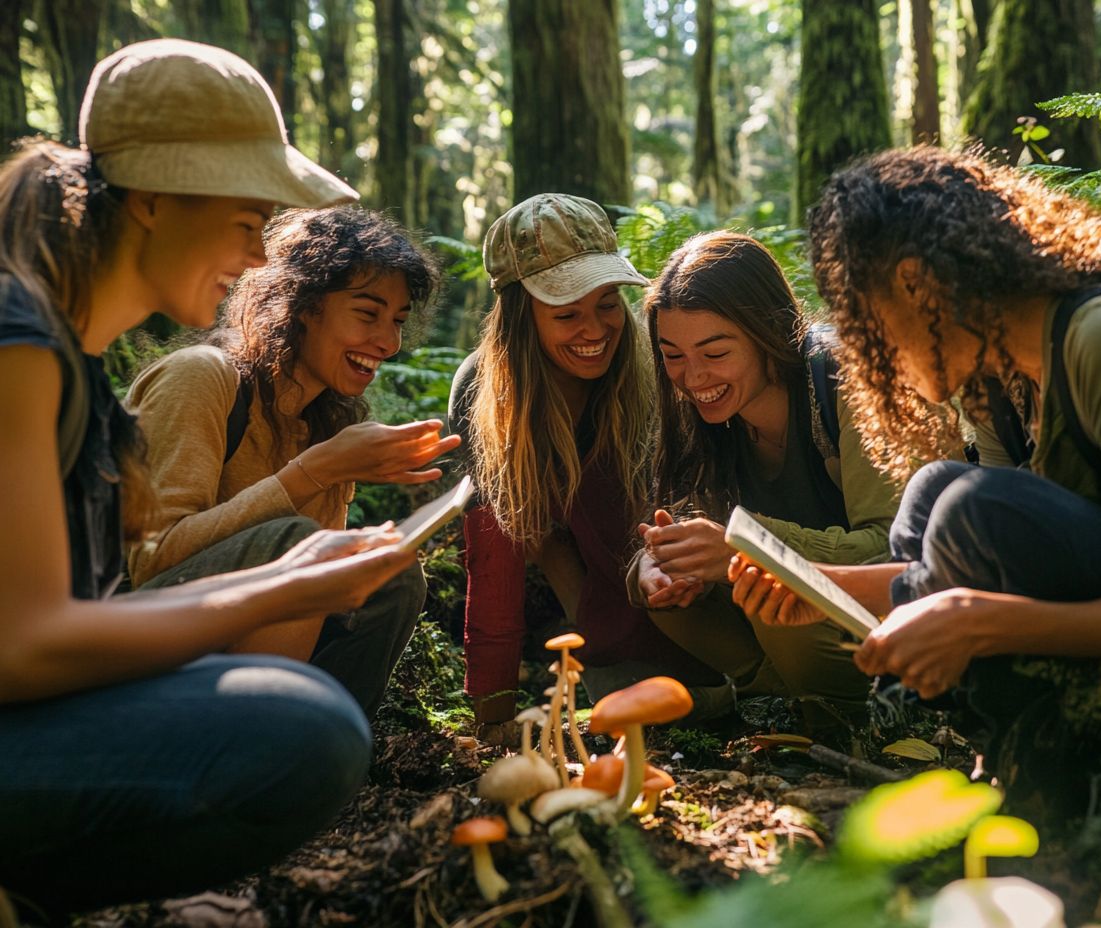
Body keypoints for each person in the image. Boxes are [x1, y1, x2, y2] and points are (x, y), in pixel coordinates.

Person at [0, 39, 425, 917]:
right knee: (301, 729)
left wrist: (293, 573)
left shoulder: (70, 362)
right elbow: (26, 644)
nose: (254, 257)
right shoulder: (23, 346)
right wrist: (271, 586)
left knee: (308, 704)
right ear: (152, 200)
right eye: (244, 223)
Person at [730, 146, 1101, 805]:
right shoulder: (1016, 374)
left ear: (915, 285)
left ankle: (1076, 792)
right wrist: (826, 587)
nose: (868, 355)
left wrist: (980, 621)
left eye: (867, 326)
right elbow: (991, 571)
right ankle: (1038, 772)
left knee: (970, 508)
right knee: (932, 495)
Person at [125, 206, 458, 719]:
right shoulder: (202, 379)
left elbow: (318, 596)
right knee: (301, 544)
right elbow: (153, 560)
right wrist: (315, 472)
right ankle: (258, 746)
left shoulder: (324, 425)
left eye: (397, 321)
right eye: (367, 314)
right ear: (301, 304)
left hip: (242, 649)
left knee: (392, 577)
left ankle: (324, 752)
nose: (388, 343)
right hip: (128, 641)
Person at [448, 193, 721, 741]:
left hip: (675, 596)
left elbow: (684, 500)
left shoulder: (650, 366)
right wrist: (493, 714)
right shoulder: (483, 393)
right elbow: (499, 549)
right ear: (522, 319)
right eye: (567, 313)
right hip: (583, 598)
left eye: (606, 304)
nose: (594, 329)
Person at [629, 231, 901, 731]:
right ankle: (776, 700)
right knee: (652, 580)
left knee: (775, 597)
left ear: (767, 332)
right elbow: (702, 539)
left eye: (715, 353)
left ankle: (873, 711)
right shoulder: (713, 420)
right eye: (673, 355)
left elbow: (895, 551)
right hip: (807, 635)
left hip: (895, 625)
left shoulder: (848, 382)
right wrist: (666, 561)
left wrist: (748, 549)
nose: (692, 379)